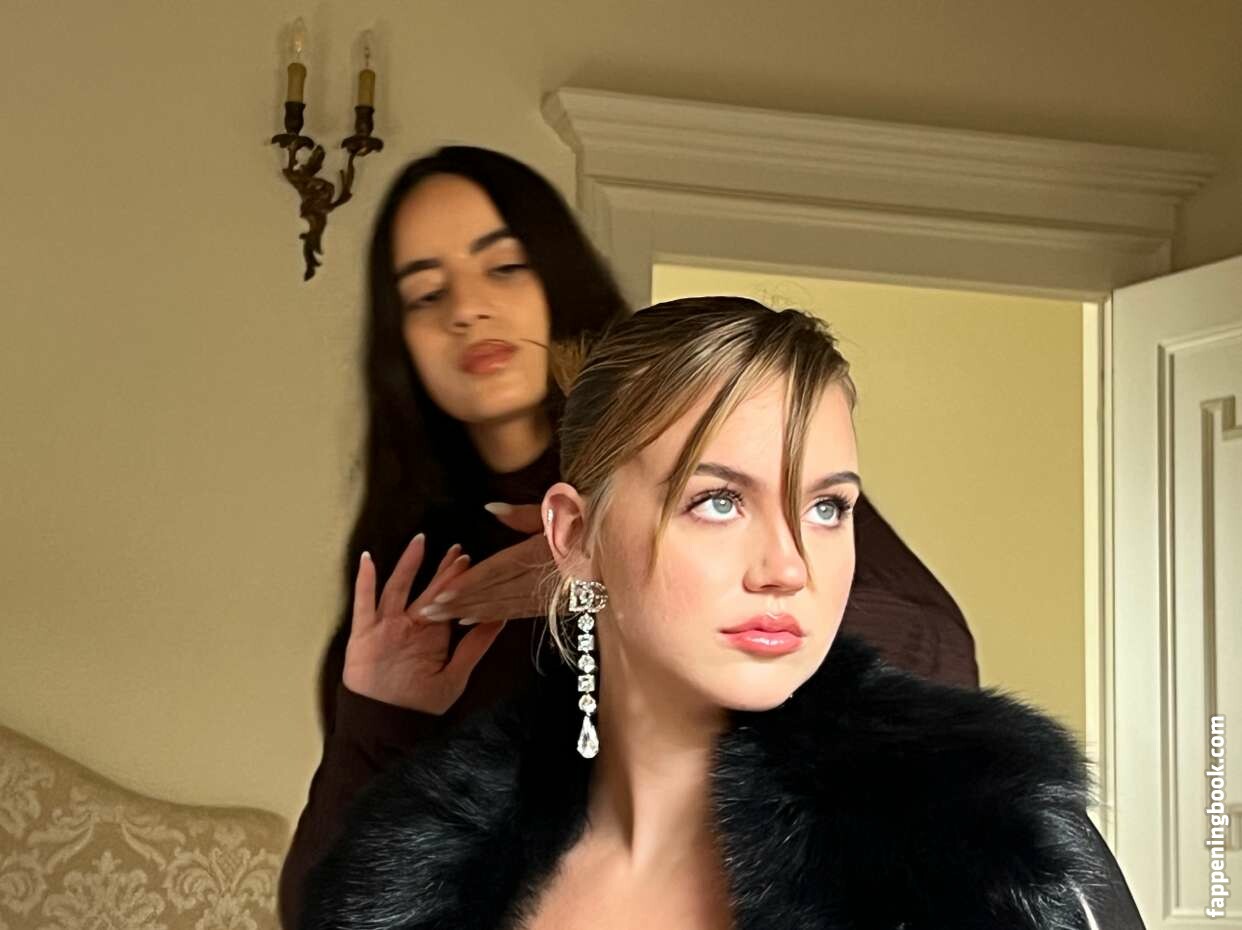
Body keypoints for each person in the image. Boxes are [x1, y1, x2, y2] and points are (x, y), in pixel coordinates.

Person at [279, 148, 978, 927]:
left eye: (503, 268)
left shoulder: (718, 433)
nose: (467, 310)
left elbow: (933, 650)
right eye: (428, 293)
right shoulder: (416, 581)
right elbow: (328, 909)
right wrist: (377, 721)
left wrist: (591, 573)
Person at [301, 297, 1144, 930]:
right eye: (717, 501)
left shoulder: (990, 840)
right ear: (575, 535)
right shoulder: (427, 856)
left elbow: (928, 637)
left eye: (827, 508)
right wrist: (378, 723)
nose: (788, 568)